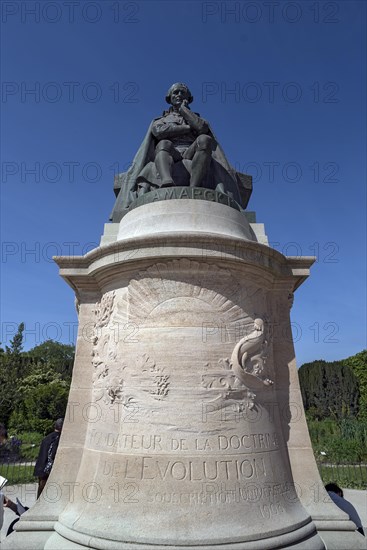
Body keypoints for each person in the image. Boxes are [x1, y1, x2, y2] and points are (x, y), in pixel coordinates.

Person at [110, 82, 252, 222]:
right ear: (169, 97)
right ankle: (167, 181)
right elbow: (158, 132)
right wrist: (187, 129)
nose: (178, 95)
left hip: (192, 151)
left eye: (182, 92)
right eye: (175, 92)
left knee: (204, 140)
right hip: (171, 152)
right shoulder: (161, 119)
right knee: (164, 143)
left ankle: (194, 187)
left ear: (188, 98)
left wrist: (184, 110)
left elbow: (202, 128)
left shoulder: (197, 118)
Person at [33, 418, 63, 499]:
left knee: (41, 493)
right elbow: (53, 455)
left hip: (40, 468)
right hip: (47, 470)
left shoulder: (47, 438)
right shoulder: (59, 438)